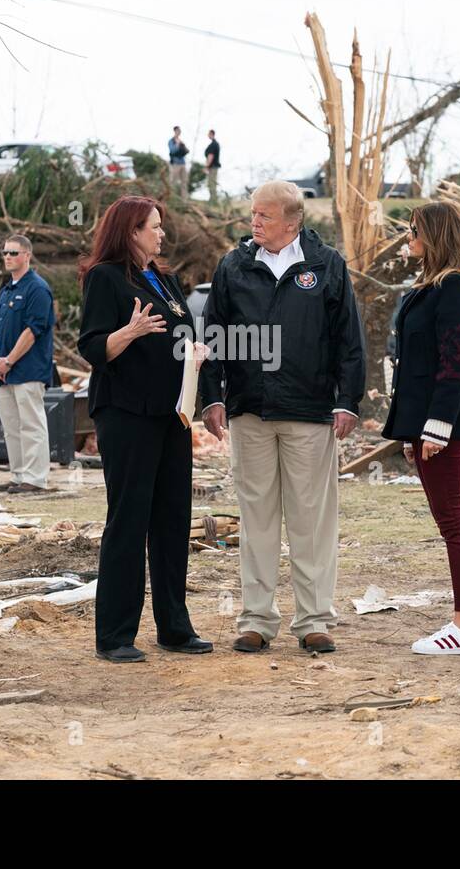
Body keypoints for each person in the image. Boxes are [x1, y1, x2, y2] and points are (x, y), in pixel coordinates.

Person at [200, 180, 365, 655]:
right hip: (250, 410)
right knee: (257, 518)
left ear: (292, 222)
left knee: (311, 519)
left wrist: (347, 400)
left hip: (310, 411)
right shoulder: (234, 265)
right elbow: (211, 334)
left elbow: (348, 340)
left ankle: (314, 620)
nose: (254, 223)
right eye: (253, 214)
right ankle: (256, 620)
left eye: (264, 216)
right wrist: (213, 397)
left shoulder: (326, 265)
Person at [78, 195, 211, 663]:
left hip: (171, 415)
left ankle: (174, 628)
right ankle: (115, 635)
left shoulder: (168, 280)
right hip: (127, 414)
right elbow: (93, 348)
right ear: (130, 230)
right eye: (153, 227)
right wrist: (128, 333)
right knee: (129, 520)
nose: (160, 234)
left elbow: (183, 337)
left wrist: (194, 355)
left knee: (173, 521)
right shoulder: (105, 278)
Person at [382, 201, 460, 655]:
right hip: (425, 425)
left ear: (436, 235)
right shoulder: (432, 286)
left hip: (442, 425)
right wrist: (413, 431)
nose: (408, 238)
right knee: (450, 523)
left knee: (454, 524)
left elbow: (456, 363)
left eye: (414, 231)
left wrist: (437, 427)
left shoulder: (456, 288)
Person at [0, 234, 55, 494]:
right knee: (11, 427)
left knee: (31, 424)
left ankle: (35, 479)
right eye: (5, 252)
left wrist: (9, 361)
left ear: (27, 255)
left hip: (27, 370)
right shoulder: (7, 290)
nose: (7, 257)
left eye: (13, 253)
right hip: (4, 372)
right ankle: (18, 476)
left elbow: (33, 330)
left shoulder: (37, 289)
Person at [167, 126, 189, 197]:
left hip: (182, 163)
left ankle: (184, 199)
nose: (179, 132)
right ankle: (171, 197)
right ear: (175, 131)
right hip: (175, 163)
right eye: (178, 130)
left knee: (184, 182)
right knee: (173, 181)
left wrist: (182, 145)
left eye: (180, 130)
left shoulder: (181, 141)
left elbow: (186, 151)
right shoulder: (171, 141)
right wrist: (177, 144)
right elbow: (172, 151)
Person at [204, 129, 221, 203]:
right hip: (213, 166)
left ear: (211, 134)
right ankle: (213, 200)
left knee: (211, 183)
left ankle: (213, 201)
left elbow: (211, 156)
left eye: (208, 134)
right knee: (212, 183)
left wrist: (206, 166)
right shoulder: (215, 144)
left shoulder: (213, 144)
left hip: (212, 167)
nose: (207, 135)